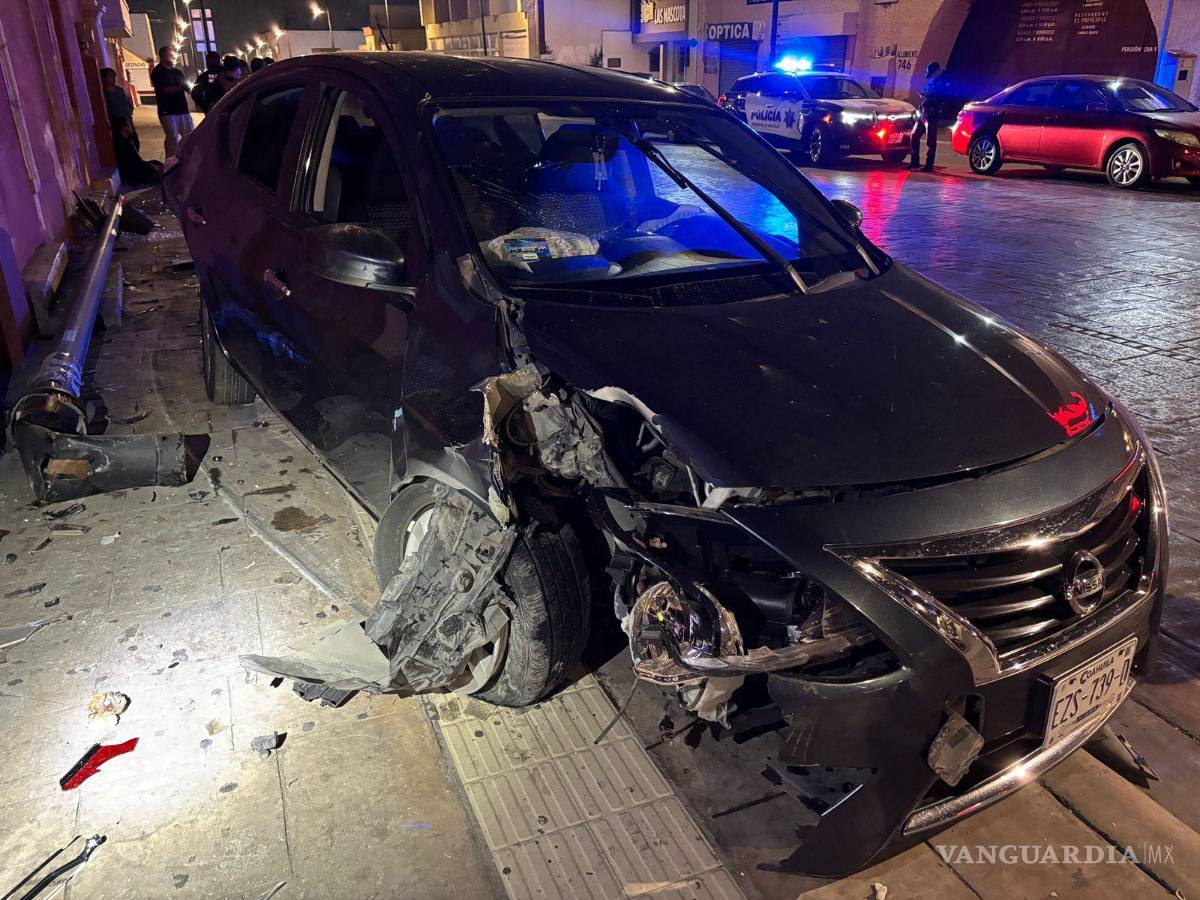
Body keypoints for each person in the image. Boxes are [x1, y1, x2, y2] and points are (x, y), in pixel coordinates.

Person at [150, 45, 193, 159]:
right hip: (167, 110)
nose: (173, 56)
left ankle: (188, 157)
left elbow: (187, 87)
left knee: (189, 135)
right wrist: (181, 87)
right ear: (163, 56)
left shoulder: (177, 72)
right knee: (172, 137)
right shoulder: (157, 72)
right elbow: (165, 90)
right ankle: (171, 161)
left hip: (182, 109)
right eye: (170, 54)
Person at [909, 62, 947, 172]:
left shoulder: (944, 82)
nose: (932, 76)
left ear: (937, 71)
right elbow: (927, 92)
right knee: (914, 135)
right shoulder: (931, 80)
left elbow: (942, 99)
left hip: (933, 114)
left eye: (933, 73)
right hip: (924, 112)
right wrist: (924, 96)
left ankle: (929, 165)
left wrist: (929, 97)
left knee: (930, 140)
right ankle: (914, 162)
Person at [111, 116, 162, 187]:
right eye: (129, 125)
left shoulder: (127, 139)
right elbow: (135, 164)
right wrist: (151, 167)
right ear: (124, 128)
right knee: (163, 176)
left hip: (138, 168)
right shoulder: (122, 145)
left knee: (157, 163)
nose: (131, 127)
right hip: (134, 174)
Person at [100, 67, 137, 149]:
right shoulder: (103, 92)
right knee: (123, 143)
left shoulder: (119, 90)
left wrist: (129, 115)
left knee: (134, 141)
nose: (113, 78)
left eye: (114, 76)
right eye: (110, 76)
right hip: (115, 122)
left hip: (126, 118)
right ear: (103, 78)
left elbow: (125, 103)